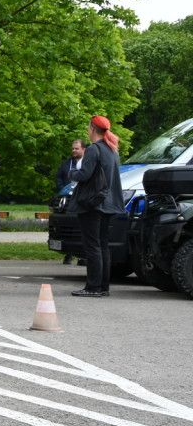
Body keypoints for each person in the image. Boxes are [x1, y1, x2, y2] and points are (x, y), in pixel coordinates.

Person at [69, 115, 124, 297]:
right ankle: (103, 287)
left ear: (92, 129)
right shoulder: (112, 150)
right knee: (103, 245)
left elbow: (85, 174)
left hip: (92, 204)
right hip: (108, 203)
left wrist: (71, 173)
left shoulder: (94, 149)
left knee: (92, 246)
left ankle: (92, 287)